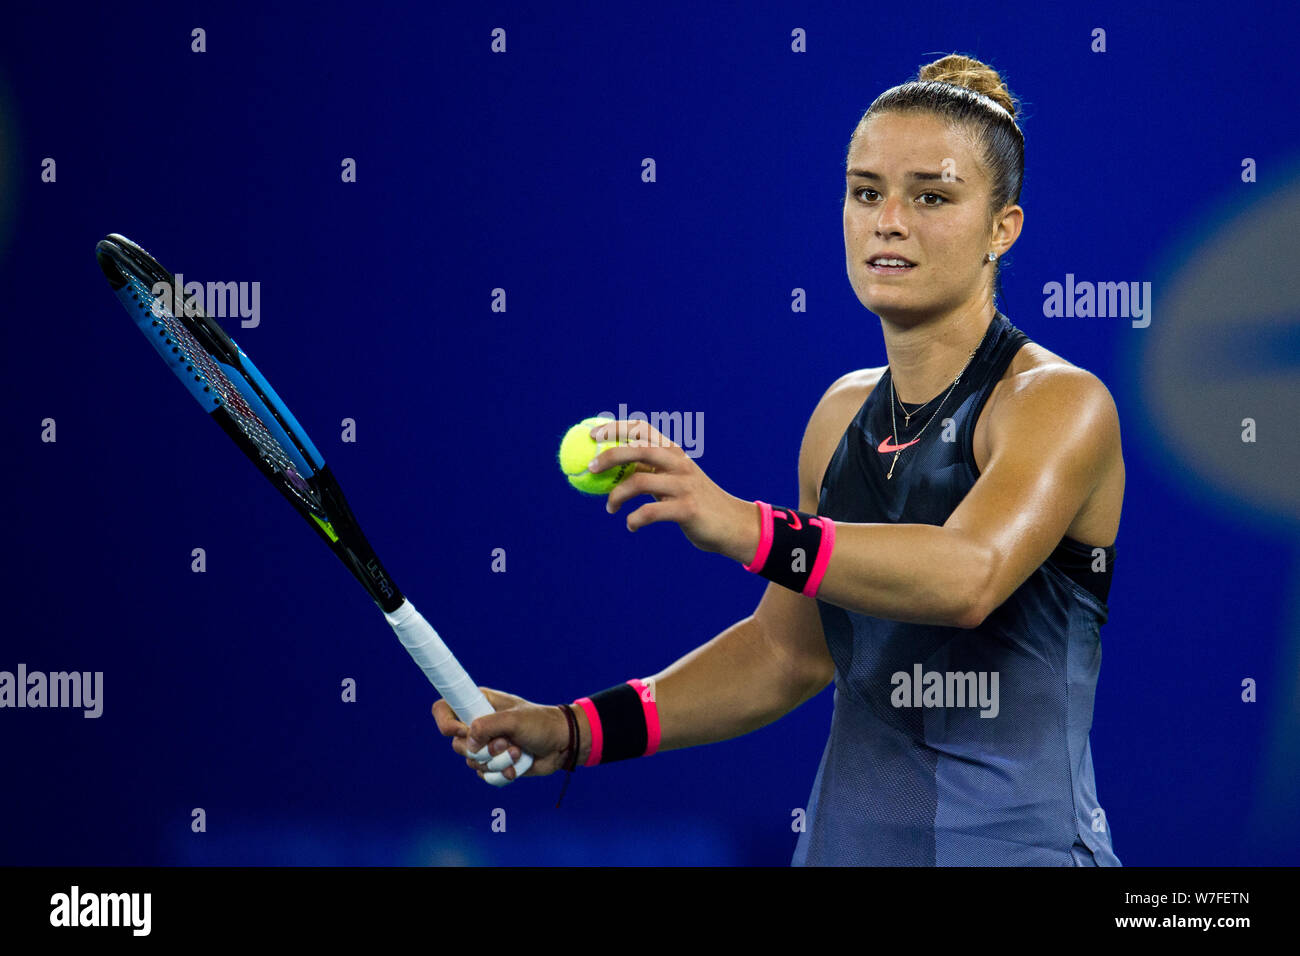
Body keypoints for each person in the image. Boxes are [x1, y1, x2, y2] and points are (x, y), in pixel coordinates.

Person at [433, 53, 1124, 866]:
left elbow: (968, 576)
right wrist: (576, 728)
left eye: (931, 197)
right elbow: (787, 654)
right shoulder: (840, 418)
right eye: (866, 192)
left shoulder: (1058, 402)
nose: (888, 220)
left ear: (1002, 228)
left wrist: (746, 528)